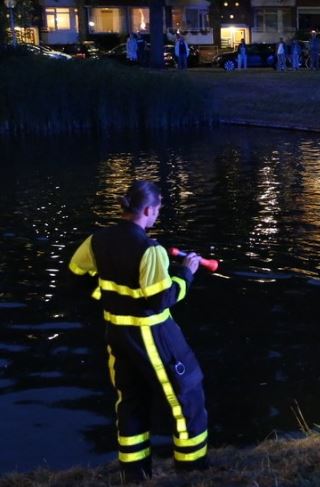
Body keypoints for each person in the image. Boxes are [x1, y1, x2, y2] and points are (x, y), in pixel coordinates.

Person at [68, 181, 209, 482]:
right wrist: (187, 273)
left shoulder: (97, 240)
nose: (156, 215)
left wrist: (106, 295)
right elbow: (161, 299)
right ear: (147, 210)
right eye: (157, 211)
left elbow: (76, 272)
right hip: (153, 334)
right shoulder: (151, 250)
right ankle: (192, 470)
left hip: (116, 334)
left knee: (129, 399)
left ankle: (134, 473)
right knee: (186, 395)